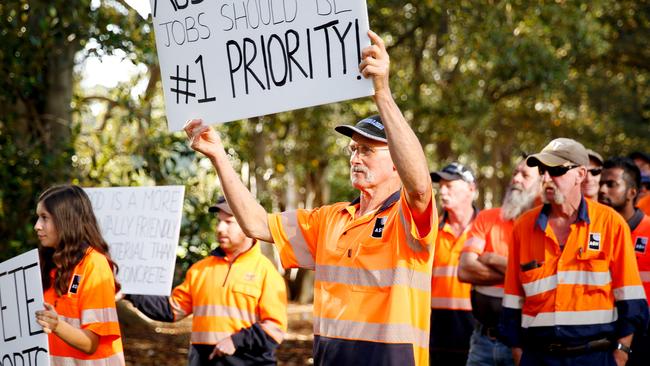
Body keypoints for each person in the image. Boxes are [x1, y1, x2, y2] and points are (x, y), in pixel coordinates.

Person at [184, 29, 436, 366]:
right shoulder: (330, 219)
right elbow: (257, 224)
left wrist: (382, 93)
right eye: (353, 149)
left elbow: (419, 186)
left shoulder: (408, 216)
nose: (355, 158)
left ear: (396, 161)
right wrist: (218, 156)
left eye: (367, 150)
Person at [499, 138, 648, 366]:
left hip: (595, 357)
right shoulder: (523, 227)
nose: (547, 179)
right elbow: (512, 303)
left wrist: (621, 352)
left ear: (580, 174)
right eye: (542, 170)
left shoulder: (611, 224)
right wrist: (519, 354)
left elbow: (631, 300)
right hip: (538, 358)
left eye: (556, 171)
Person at [126, 197, 287, 365]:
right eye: (219, 222)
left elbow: (275, 328)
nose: (220, 228)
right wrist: (129, 292)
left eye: (228, 222)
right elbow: (170, 310)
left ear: (247, 224)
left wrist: (235, 341)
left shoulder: (266, 272)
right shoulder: (200, 270)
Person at [458, 157, 541, 366]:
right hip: (482, 341)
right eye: (515, 172)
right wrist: (518, 272)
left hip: (523, 343)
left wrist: (491, 258)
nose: (516, 179)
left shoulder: (542, 226)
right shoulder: (487, 218)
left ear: (542, 183)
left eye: (525, 175)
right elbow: (465, 270)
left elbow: (540, 279)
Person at [33, 184, 125, 365]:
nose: (37, 226)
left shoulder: (94, 265)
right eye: (38, 218)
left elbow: (90, 343)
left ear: (66, 221)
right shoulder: (46, 265)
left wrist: (56, 325)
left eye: (44, 218)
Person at [597, 157, 650, 366]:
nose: (602, 190)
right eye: (601, 183)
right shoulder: (594, 233)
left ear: (632, 193)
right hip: (602, 336)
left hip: (643, 338)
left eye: (611, 184)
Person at [429, 162, 478, 365]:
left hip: (478, 332)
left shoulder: (486, 229)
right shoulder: (431, 231)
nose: (443, 191)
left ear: (471, 189)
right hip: (437, 332)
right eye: (441, 186)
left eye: (449, 185)